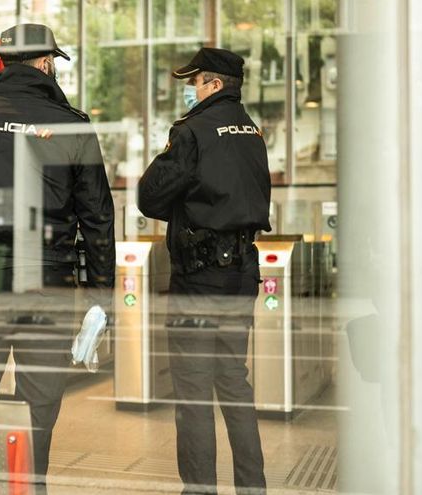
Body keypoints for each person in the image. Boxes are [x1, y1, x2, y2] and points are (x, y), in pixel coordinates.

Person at [0, 23, 115, 485]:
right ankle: (28, 486)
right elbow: (96, 218)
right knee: (39, 397)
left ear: (3, 63)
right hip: (47, 277)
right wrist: (100, 293)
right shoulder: (71, 125)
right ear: (47, 63)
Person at [137, 47, 270, 494]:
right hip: (242, 273)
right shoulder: (252, 131)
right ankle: (252, 487)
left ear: (213, 84)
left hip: (199, 275)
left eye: (194, 82)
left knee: (193, 388)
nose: (190, 90)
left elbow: (149, 196)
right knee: (233, 381)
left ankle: (199, 490)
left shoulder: (193, 131)